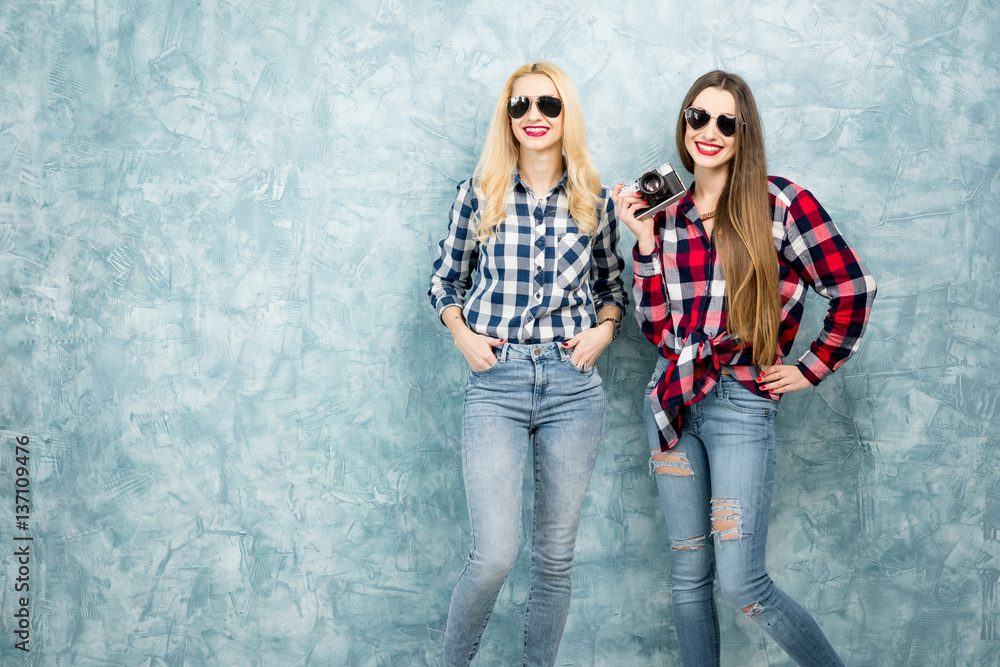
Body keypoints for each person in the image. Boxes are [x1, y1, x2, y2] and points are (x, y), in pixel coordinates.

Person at [612, 70, 876, 666]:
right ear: (685, 123)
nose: (709, 131)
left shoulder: (779, 202)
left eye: (726, 122)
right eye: (698, 117)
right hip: (672, 404)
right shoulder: (669, 218)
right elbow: (658, 333)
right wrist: (646, 244)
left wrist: (812, 367)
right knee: (688, 575)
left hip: (740, 404)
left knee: (741, 584)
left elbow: (852, 287)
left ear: (743, 133)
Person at [429, 62, 627, 666]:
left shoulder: (594, 198)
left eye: (548, 104)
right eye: (521, 106)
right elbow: (445, 281)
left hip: (573, 386)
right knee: (494, 553)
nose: (534, 116)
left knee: (555, 555)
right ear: (508, 117)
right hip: (497, 382)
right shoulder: (479, 193)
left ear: (566, 114)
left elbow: (612, 286)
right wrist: (462, 334)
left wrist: (605, 330)